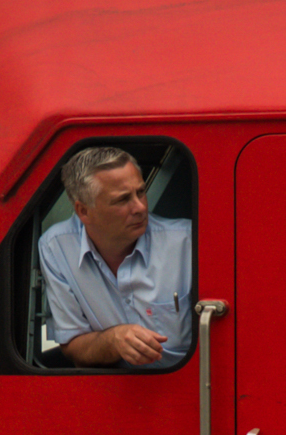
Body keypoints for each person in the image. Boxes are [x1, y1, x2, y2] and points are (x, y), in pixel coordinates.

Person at [37, 146, 194, 368]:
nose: (140, 207)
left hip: (192, 385)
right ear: (83, 211)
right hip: (116, 391)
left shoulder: (187, 242)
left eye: (141, 192)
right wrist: (114, 340)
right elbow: (72, 344)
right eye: (123, 200)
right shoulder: (57, 246)